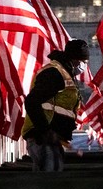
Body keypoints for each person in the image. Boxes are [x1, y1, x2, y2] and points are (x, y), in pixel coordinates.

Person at [21, 39, 90, 171]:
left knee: (51, 180)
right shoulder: (54, 73)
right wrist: (45, 131)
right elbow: (32, 102)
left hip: (50, 138)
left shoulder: (64, 73)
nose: (84, 66)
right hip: (42, 138)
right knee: (50, 184)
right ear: (75, 59)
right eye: (84, 62)